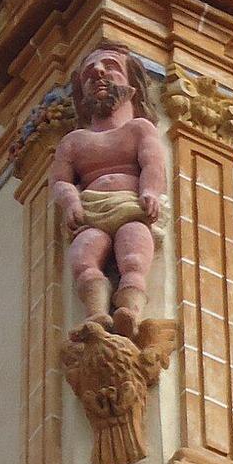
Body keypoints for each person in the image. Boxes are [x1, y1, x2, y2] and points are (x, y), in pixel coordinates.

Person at [49, 45, 167, 335]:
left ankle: (130, 311)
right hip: (90, 210)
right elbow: (60, 180)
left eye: (110, 66)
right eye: (89, 74)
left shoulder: (139, 128)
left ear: (132, 83)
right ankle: (97, 312)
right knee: (83, 259)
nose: (99, 73)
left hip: (130, 207)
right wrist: (70, 202)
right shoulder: (74, 141)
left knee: (133, 257)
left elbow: (153, 164)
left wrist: (150, 192)